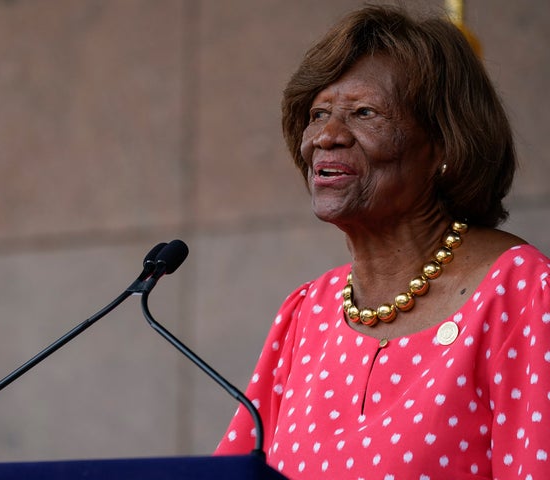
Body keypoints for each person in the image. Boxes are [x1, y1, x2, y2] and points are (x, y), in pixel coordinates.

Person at [215, 5, 550, 479]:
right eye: (318, 114)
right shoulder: (306, 313)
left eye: (363, 113)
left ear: (444, 145)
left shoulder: (522, 294)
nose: (326, 137)